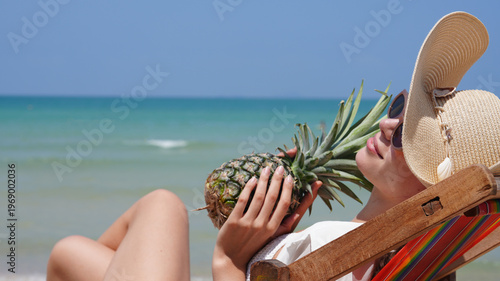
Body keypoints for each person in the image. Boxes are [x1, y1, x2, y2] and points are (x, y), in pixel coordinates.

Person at [47, 11, 500, 281]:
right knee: (72, 248)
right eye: (400, 106)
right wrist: (276, 241)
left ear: (430, 186)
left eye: (405, 134)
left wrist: (226, 261)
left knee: (156, 208)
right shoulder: (373, 251)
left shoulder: (357, 255)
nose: (384, 123)